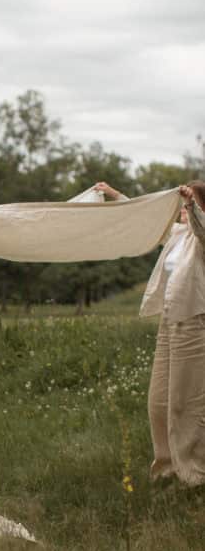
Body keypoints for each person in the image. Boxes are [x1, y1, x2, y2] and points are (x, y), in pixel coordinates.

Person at [99, 179, 205, 484]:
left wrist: (191, 205)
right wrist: (114, 195)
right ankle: (167, 467)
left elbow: (203, 228)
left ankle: (194, 474)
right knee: (158, 400)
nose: (184, 211)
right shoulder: (176, 235)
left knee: (187, 402)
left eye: (193, 204)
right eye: (185, 206)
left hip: (195, 322)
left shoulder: (200, 236)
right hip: (170, 322)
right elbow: (143, 216)